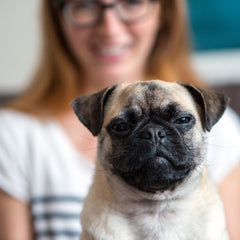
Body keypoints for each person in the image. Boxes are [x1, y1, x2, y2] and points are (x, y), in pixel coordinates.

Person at [0, 0, 239, 239]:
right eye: (85, 5)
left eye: (132, 2)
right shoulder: (14, 135)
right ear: (58, 18)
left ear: (163, 13)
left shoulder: (225, 129)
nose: (110, 27)